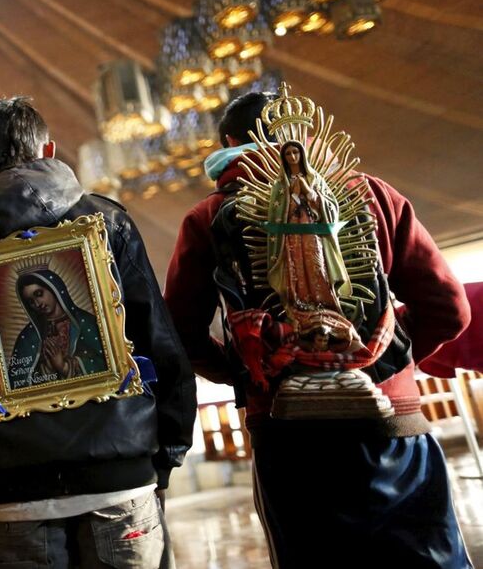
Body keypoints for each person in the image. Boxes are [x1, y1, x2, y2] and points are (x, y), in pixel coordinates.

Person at [164, 90, 473, 568]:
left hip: (287, 433)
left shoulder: (207, 218)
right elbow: (450, 309)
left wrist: (248, 370)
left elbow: (179, 333)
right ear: (304, 135)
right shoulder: (372, 194)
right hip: (393, 424)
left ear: (229, 143)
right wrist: (389, 356)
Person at [0, 96, 196, 568]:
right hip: (119, 476)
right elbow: (158, 339)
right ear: (48, 150)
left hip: (12, 490)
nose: (38, 304)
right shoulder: (107, 222)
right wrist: (167, 450)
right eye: (29, 300)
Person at [11, 268, 105, 388]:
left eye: (39, 294)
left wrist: (64, 367)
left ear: (54, 289)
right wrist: (47, 370)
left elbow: (106, 364)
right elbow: (17, 381)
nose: (37, 304)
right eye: (31, 301)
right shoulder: (29, 335)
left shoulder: (86, 323)